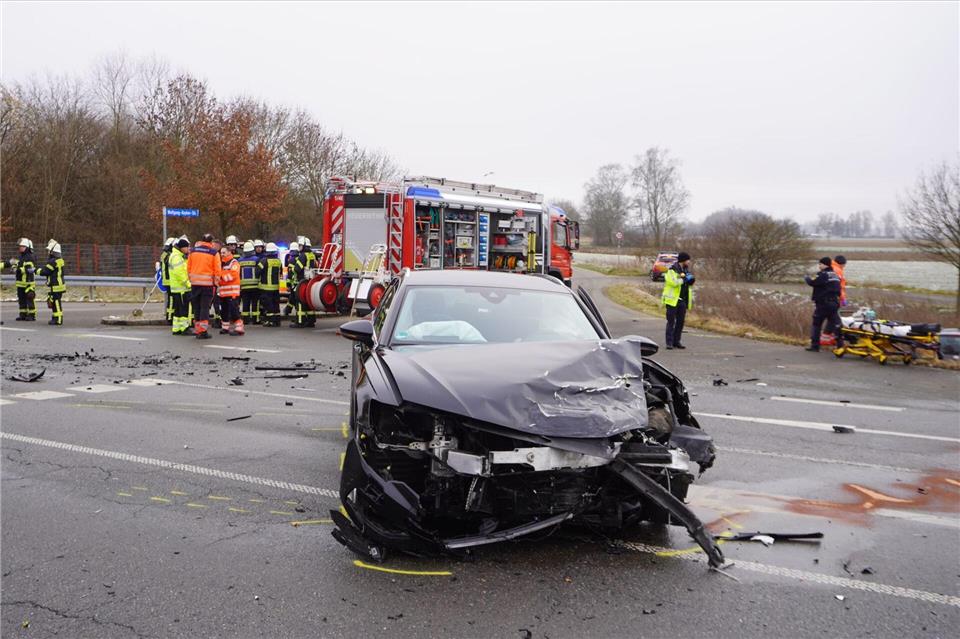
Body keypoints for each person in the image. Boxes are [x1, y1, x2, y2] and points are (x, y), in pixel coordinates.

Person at [804, 257, 844, 352]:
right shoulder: (835, 275)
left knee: (817, 324)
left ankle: (815, 346)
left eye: (820, 264)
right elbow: (839, 290)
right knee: (836, 325)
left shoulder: (823, 275)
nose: (819, 266)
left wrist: (807, 278)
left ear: (824, 265)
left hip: (823, 303)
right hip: (834, 303)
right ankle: (840, 346)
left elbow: (813, 283)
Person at [187, 233, 221, 339]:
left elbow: (188, 268)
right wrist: (216, 283)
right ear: (211, 242)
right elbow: (217, 270)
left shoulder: (193, 251)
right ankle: (203, 331)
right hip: (207, 285)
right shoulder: (213, 253)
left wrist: (191, 280)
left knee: (196, 307)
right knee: (204, 308)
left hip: (194, 284)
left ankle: (197, 329)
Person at [661, 251, 694, 350]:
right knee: (671, 322)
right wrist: (683, 279)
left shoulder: (686, 270)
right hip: (672, 300)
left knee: (680, 322)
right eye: (688, 260)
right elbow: (673, 283)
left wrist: (690, 280)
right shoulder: (671, 270)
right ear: (683, 260)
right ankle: (669, 342)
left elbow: (690, 282)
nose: (689, 262)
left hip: (682, 300)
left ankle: (677, 341)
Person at [6, 238, 37, 321]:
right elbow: (19, 265)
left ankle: (31, 315)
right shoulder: (21, 256)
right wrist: (14, 267)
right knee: (21, 299)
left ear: (26, 247)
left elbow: (28, 269)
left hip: (28, 282)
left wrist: (18, 270)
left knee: (29, 298)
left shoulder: (30, 257)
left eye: (22, 246)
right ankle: (23, 314)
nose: (20, 248)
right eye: (19, 246)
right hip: (20, 283)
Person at [217, 246, 244, 336]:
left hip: (232, 292)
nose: (222, 254)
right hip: (223, 293)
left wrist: (221, 275)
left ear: (229, 252)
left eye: (224, 252)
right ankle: (225, 327)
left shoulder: (234, 262)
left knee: (234, 311)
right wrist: (222, 276)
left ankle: (239, 328)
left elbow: (233, 275)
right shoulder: (221, 263)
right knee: (224, 311)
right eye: (221, 253)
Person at [169, 238, 192, 335]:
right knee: (183, 309)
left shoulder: (175, 255)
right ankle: (184, 328)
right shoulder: (177, 257)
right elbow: (180, 273)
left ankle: (176, 328)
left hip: (176, 289)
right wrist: (188, 283)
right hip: (181, 288)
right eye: (187, 247)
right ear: (182, 247)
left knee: (178, 310)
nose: (188, 249)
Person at [257, 242, 282, 326]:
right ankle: (277, 321)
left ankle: (270, 321)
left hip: (266, 287)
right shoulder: (279, 261)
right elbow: (281, 271)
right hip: (276, 287)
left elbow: (257, 271)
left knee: (268, 305)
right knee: (276, 304)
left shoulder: (264, 261)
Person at [295, 237, 318, 327]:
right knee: (309, 301)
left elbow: (297, 269)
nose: (299, 247)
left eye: (300, 245)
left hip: (302, 282)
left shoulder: (303, 256)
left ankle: (300, 322)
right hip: (311, 281)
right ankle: (311, 321)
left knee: (300, 302)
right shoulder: (312, 255)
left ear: (304, 246)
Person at [238, 241, 261, 325]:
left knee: (245, 303)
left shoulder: (239, 260)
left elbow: (238, 273)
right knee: (255, 303)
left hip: (244, 286)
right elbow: (259, 271)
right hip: (255, 286)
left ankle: (245, 320)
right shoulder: (257, 259)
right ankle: (256, 320)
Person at [160, 237, 176, 325]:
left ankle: (170, 315)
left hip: (166, 280)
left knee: (171, 299)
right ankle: (170, 316)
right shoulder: (168, 255)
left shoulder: (164, 254)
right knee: (171, 299)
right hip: (169, 280)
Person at [283, 241, 301, 320]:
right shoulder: (300, 258)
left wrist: (288, 285)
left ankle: (288, 311)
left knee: (294, 299)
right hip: (300, 283)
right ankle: (287, 310)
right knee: (293, 298)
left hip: (294, 283)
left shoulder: (291, 260)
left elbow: (289, 275)